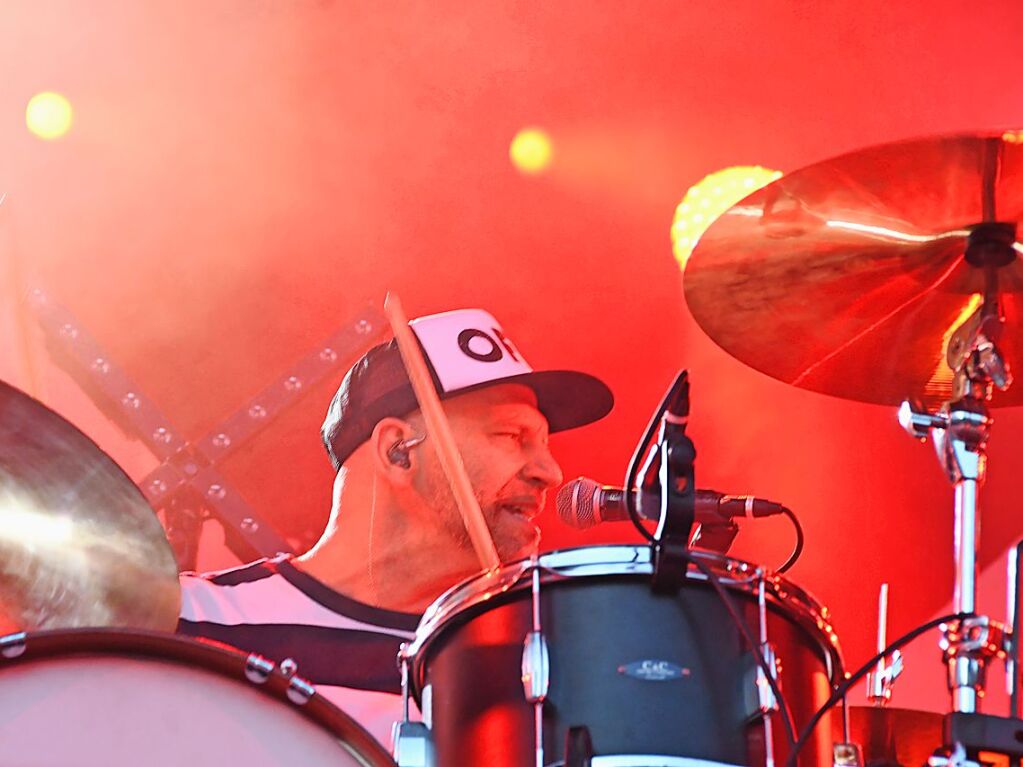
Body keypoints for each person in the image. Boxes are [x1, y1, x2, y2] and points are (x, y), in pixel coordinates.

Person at [177, 308, 613, 747]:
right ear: (399, 451)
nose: (551, 472)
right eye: (513, 435)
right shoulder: (185, 616)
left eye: (544, 444)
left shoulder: (533, 672)